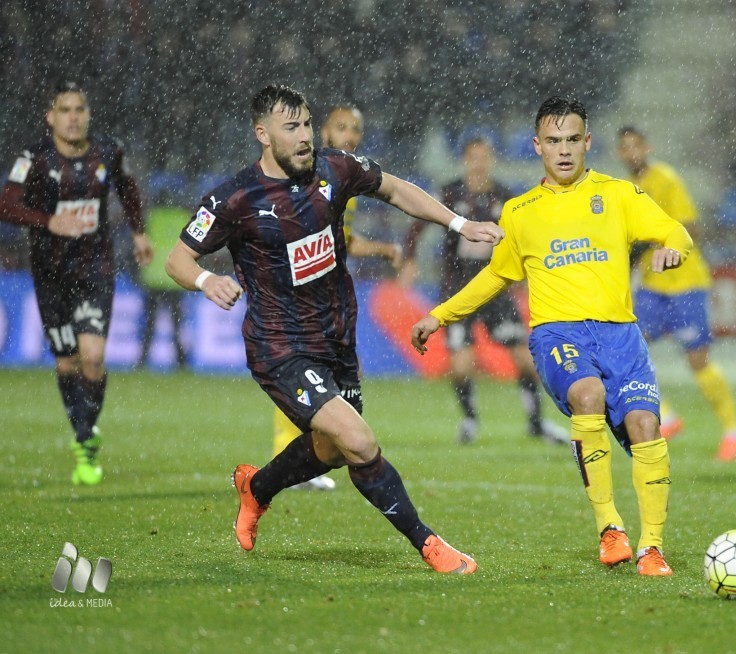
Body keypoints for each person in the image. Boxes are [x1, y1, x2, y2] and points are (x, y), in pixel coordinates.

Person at [166, 84, 502, 573]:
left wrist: (458, 225)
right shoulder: (235, 197)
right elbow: (178, 259)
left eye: (307, 123)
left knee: (332, 449)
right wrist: (206, 279)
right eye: (291, 127)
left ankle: (256, 488)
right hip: (280, 347)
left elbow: (394, 188)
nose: (305, 135)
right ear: (263, 134)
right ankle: (429, 545)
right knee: (359, 441)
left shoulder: (334, 168)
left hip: (338, 337)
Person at [411, 96, 693, 576]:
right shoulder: (521, 211)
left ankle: (651, 548)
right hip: (557, 334)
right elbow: (495, 276)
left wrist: (674, 250)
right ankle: (610, 528)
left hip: (621, 336)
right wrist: (439, 315)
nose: (563, 150)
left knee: (646, 425)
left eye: (572, 140)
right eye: (553, 141)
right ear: (537, 145)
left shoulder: (619, 195)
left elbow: (676, 231)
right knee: (588, 395)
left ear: (587, 142)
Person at [0, 80, 152, 486]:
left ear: (88, 115)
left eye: (79, 109)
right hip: (50, 274)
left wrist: (139, 232)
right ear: (50, 117)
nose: (73, 117)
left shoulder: (108, 152)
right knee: (67, 363)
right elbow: (6, 204)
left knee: (94, 357)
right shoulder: (34, 157)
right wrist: (48, 220)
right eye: (64, 110)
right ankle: (84, 434)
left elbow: (128, 188)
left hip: (94, 269)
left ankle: (84, 438)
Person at [401, 136, 568, 445]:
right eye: (473, 157)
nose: (479, 163)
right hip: (458, 290)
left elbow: (525, 235)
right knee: (461, 364)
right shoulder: (449, 192)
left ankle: (536, 423)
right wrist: (409, 259)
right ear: (464, 160)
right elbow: (417, 224)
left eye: (484, 157)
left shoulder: (505, 196)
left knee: (524, 357)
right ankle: (469, 420)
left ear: (491, 159)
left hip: (495, 289)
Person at [271, 104, 402, 491]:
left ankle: (310, 457)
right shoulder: (304, 172)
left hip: (328, 294)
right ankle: (296, 460)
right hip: (299, 291)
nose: (350, 135)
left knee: (332, 374)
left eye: (356, 129)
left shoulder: (344, 176)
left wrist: (381, 249)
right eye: (341, 127)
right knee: (305, 370)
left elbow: (340, 239)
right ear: (323, 130)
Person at [615, 126, 736, 462]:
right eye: (625, 148)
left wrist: (651, 241)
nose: (632, 153)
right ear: (619, 153)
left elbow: (691, 228)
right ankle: (668, 418)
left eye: (636, 146)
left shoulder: (666, 180)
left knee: (697, 360)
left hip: (685, 283)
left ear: (648, 148)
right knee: (626, 351)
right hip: (652, 286)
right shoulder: (624, 190)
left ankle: (734, 432)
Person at [139, 206, 189, 369]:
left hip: (154, 280)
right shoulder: (184, 217)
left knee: (149, 324)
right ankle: (181, 362)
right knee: (177, 325)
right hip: (176, 280)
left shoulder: (152, 217)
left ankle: (142, 360)